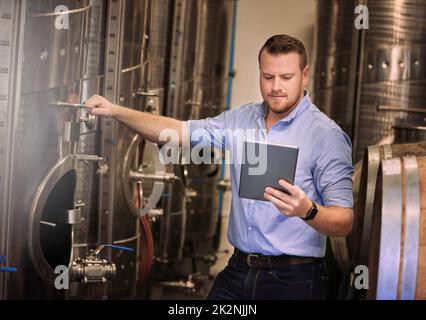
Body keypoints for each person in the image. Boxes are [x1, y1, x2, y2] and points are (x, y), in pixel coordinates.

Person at [85, 34, 353, 300]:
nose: (276, 87)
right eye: (268, 77)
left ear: (304, 75)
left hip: (293, 280)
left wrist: (307, 210)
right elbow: (178, 131)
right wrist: (115, 111)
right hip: (239, 271)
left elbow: (344, 222)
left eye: (286, 77)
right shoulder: (242, 118)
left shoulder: (325, 136)